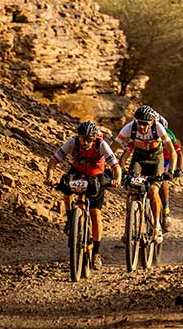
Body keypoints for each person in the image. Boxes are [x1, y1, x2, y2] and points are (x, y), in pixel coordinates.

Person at [45, 120, 121, 270]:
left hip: (96, 175)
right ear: (78, 136)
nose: (85, 142)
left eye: (89, 139)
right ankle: (70, 218)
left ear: (94, 138)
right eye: (82, 138)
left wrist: (116, 179)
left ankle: (96, 253)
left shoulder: (101, 145)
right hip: (77, 172)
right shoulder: (72, 142)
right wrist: (49, 176)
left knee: (95, 213)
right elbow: (54, 160)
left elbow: (115, 166)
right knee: (65, 185)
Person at [114, 105, 176, 237]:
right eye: (139, 123)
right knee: (132, 189)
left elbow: (172, 152)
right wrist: (111, 167)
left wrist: (171, 170)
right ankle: (128, 229)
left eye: (145, 124)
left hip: (156, 160)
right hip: (139, 159)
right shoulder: (130, 127)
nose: (141, 127)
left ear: (152, 122)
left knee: (153, 190)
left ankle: (156, 227)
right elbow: (112, 148)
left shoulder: (158, 127)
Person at [160, 123, 183, 230]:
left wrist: (178, 169)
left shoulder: (169, 135)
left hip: (166, 159)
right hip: (151, 157)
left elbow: (179, 155)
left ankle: (166, 210)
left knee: (163, 180)